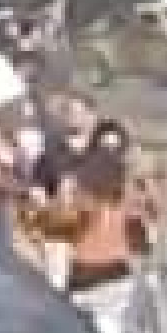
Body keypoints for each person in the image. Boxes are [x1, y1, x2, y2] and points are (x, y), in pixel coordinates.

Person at [47, 117, 153, 289]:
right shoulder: (73, 184)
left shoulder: (132, 186)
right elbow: (59, 233)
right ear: (93, 148)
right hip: (82, 269)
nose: (108, 154)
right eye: (103, 148)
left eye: (115, 149)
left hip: (121, 271)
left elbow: (142, 236)